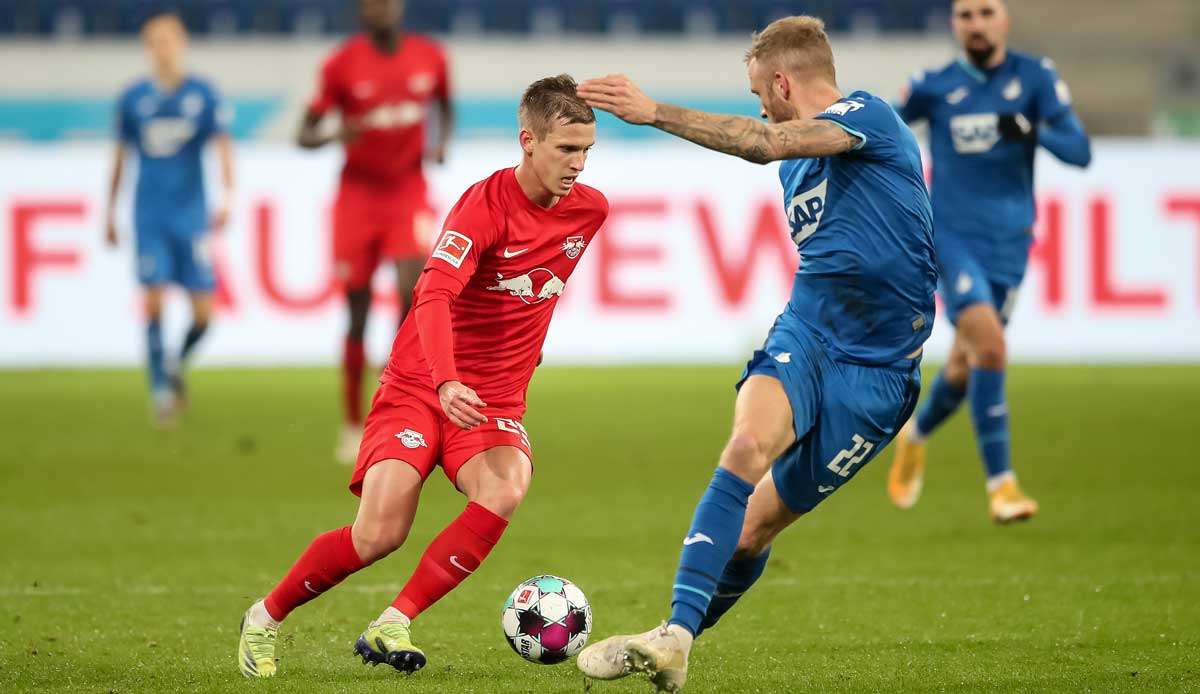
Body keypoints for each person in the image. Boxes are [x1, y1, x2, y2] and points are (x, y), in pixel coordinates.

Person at [574, 15, 936, 692]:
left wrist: (653, 113)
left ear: (780, 80)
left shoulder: (868, 117)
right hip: (809, 333)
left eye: (759, 90)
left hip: (881, 374)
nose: (759, 104)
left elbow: (764, 140)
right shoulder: (798, 164)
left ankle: (673, 634)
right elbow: (775, 147)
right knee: (745, 447)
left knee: (750, 534)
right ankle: (675, 638)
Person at [236, 75, 608, 679]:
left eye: (587, 150)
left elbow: (538, 289)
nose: (579, 164)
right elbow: (431, 294)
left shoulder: (590, 211)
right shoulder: (482, 207)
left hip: (492, 400)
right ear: (528, 141)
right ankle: (265, 616)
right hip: (420, 383)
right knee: (379, 532)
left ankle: (394, 620)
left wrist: (524, 350)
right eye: (567, 149)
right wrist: (443, 381)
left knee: (505, 488)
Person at [886, 0, 1091, 523]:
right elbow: (880, 132)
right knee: (992, 346)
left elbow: (1080, 151)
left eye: (985, 12)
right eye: (965, 14)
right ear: (953, 24)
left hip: (1010, 242)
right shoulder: (932, 84)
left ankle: (916, 433)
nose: (975, 23)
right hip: (951, 237)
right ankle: (1002, 485)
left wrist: (1033, 130)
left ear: (1004, 19)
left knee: (964, 363)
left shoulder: (1035, 78)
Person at [298, 0, 453, 463]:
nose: (379, 8)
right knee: (358, 310)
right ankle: (351, 423)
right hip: (358, 198)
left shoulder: (431, 56)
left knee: (413, 296)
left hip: (407, 189)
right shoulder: (341, 64)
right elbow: (303, 135)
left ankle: (401, 408)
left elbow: (445, 104)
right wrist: (332, 135)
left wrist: (440, 142)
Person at [104, 11, 234, 425]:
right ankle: (160, 390)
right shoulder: (133, 98)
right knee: (154, 298)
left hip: (191, 215)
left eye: (169, 40)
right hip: (149, 215)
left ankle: (176, 363)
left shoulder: (202, 94)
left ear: (181, 44)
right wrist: (109, 210)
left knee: (203, 314)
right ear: (148, 48)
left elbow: (222, 146)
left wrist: (228, 195)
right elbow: (121, 156)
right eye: (155, 42)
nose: (163, 49)